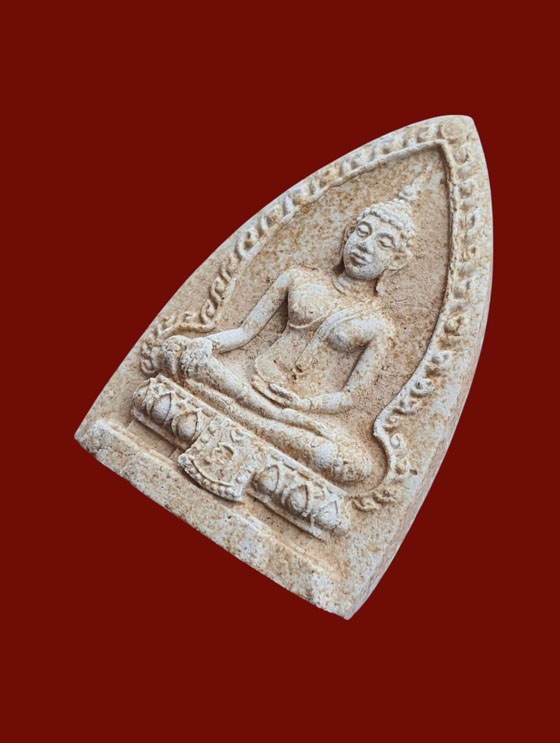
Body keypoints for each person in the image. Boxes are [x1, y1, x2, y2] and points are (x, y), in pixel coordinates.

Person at [161, 186, 417, 484]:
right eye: (362, 232)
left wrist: (303, 406)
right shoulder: (298, 278)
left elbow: (349, 397)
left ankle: (246, 419)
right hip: (249, 383)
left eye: (382, 243)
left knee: (355, 465)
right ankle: (264, 429)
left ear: (395, 260)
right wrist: (207, 343)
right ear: (348, 234)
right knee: (176, 350)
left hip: (299, 413)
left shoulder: (378, 326)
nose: (365, 246)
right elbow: (245, 332)